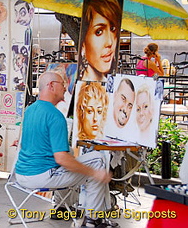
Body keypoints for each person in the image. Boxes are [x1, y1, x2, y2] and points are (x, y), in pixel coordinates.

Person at [14, 71, 115, 227]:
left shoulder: (30, 110)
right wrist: (95, 173)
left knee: (70, 163)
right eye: (62, 84)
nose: (65, 88)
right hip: (40, 176)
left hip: (21, 174)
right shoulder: (55, 116)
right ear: (51, 86)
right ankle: (93, 220)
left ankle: (62, 207)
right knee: (98, 160)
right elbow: (62, 159)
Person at [79, 0, 121, 81]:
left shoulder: (114, 88)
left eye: (113, 29)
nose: (109, 42)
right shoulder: (78, 88)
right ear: (83, 43)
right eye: (99, 32)